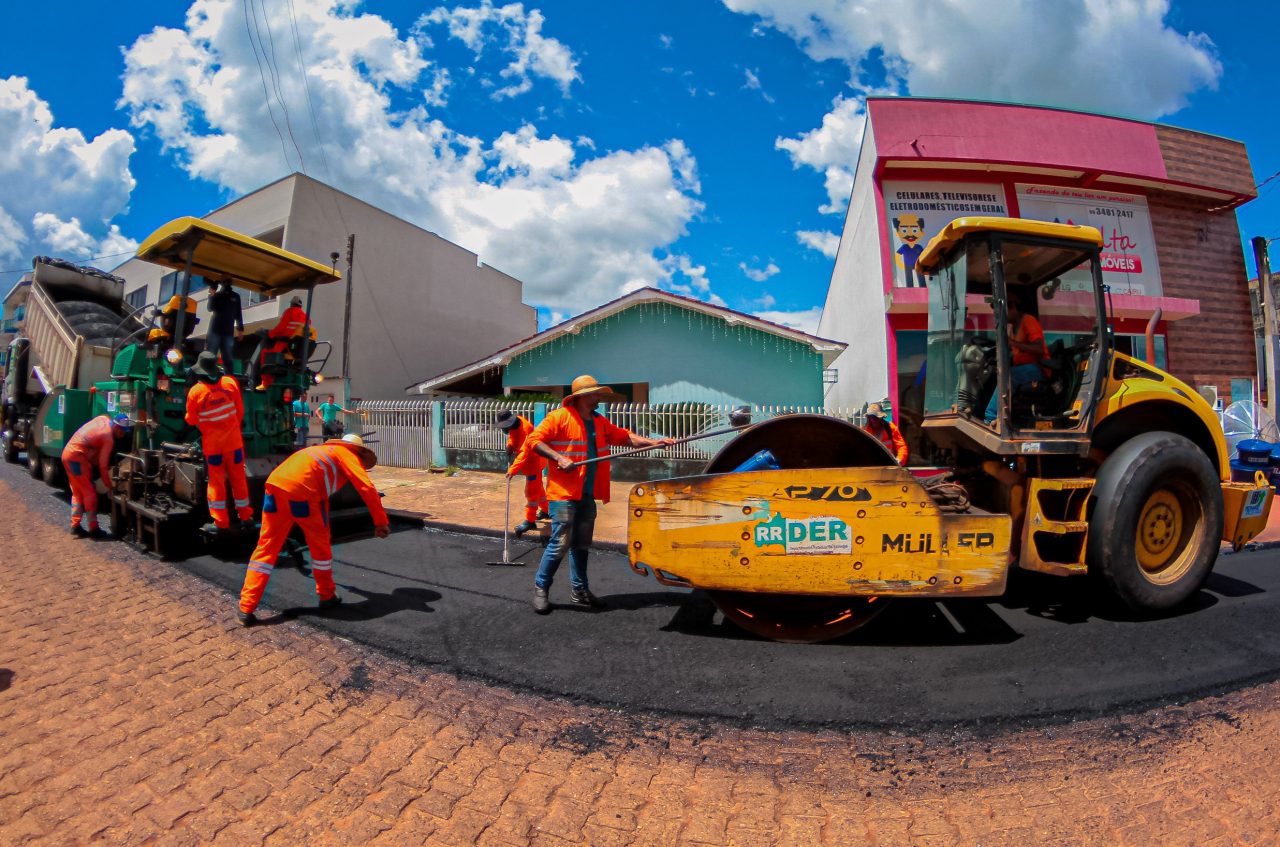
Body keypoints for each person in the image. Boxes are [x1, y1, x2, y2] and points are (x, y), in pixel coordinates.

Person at [511, 375, 675, 614]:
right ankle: (541, 589)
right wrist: (558, 457)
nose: (600, 396)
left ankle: (580, 591)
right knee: (559, 544)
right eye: (596, 393)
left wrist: (655, 442)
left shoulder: (599, 421)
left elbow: (625, 436)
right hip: (563, 494)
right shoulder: (559, 417)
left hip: (587, 495)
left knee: (581, 545)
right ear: (583, 396)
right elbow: (534, 440)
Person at [237, 434, 391, 626]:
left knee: (266, 548)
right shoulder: (348, 454)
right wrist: (380, 521)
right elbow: (366, 488)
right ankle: (326, 595)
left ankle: (246, 607)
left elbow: (316, 486)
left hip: (274, 489)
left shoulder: (317, 451)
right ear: (358, 451)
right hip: (302, 495)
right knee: (320, 549)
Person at [185, 351, 254, 530]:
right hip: (234, 444)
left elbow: (191, 419)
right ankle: (246, 516)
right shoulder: (230, 383)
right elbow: (240, 412)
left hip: (214, 447)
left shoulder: (196, 391)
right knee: (239, 479)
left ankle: (221, 522)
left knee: (216, 482)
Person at [62, 413, 132, 537]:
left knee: (78, 492)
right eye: (122, 431)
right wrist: (109, 486)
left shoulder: (103, 419)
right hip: (77, 458)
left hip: (68, 454)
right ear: (116, 427)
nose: (123, 435)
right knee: (90, 493)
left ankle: (75, 525)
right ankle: (94, 529)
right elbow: (102, 466)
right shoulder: (108, 438)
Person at [984, 293, 1049, 424]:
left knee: (1009, 375)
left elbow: (1039, 349)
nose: (1000, 315)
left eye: (1003, 311)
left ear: (1013, 307)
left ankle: (991, 417)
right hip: (1025, 369)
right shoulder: (1013, 328)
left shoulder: (1028, 321)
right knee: (995, 373)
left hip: (1039, 369)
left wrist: (1012, 343)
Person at [495, 408, 548, 537]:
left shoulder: (526, 428)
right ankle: (547, 510)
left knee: (531, 493)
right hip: (528, 463)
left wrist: (512, 470)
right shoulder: (515, 423)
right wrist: (510, 445)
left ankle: (530, 520)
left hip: (533, 463)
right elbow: (513, 436)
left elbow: (525, 452)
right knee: (538, 490)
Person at [255, 295, 309, 390]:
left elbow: (281, 328)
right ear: (300, 306)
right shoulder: (306, 317)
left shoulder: (289, 312)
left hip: (285, 345)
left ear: (292, 304)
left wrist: (269, 334)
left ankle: (265, 383)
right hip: (297, 350)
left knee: (265, 353)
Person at [204, 276, 243, 371]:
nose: (227, 283)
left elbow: (238, 313)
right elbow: (210, 308)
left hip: (227, 331)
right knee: (210, 356)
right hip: (215, 330)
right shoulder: (217, 295)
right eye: (225, 281)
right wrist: (212, 293)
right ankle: (206, 378)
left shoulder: (236, 296)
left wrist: (240, 329)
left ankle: (228, 379)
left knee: (228, 359)